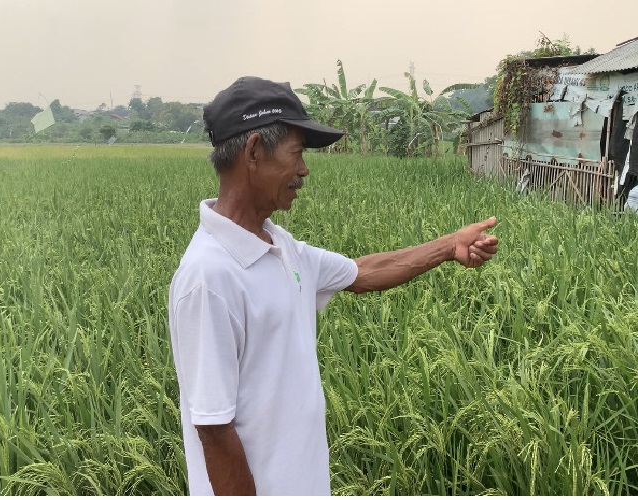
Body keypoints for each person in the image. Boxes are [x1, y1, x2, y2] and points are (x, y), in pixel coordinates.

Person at [168, 76, 499, 496]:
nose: (304, 169)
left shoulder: (278, 244)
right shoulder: (209, 276)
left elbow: (361, 273)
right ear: (253, 151)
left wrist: (450, 245)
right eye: (297, 154)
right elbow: (214, 427)